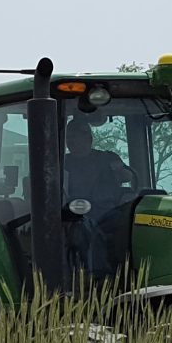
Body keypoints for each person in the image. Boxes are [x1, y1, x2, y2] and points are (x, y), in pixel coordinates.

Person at [62, 108, 135, 280]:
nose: (73, 142)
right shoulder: (63, 162)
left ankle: (131, 272)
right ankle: (96, 275)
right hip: (75, 212)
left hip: (110, 211)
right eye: (69, 138)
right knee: (84, 227)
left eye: (77, 137)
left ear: (88, 138)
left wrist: (119, 171)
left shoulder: (107, 158)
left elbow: (128, 176)